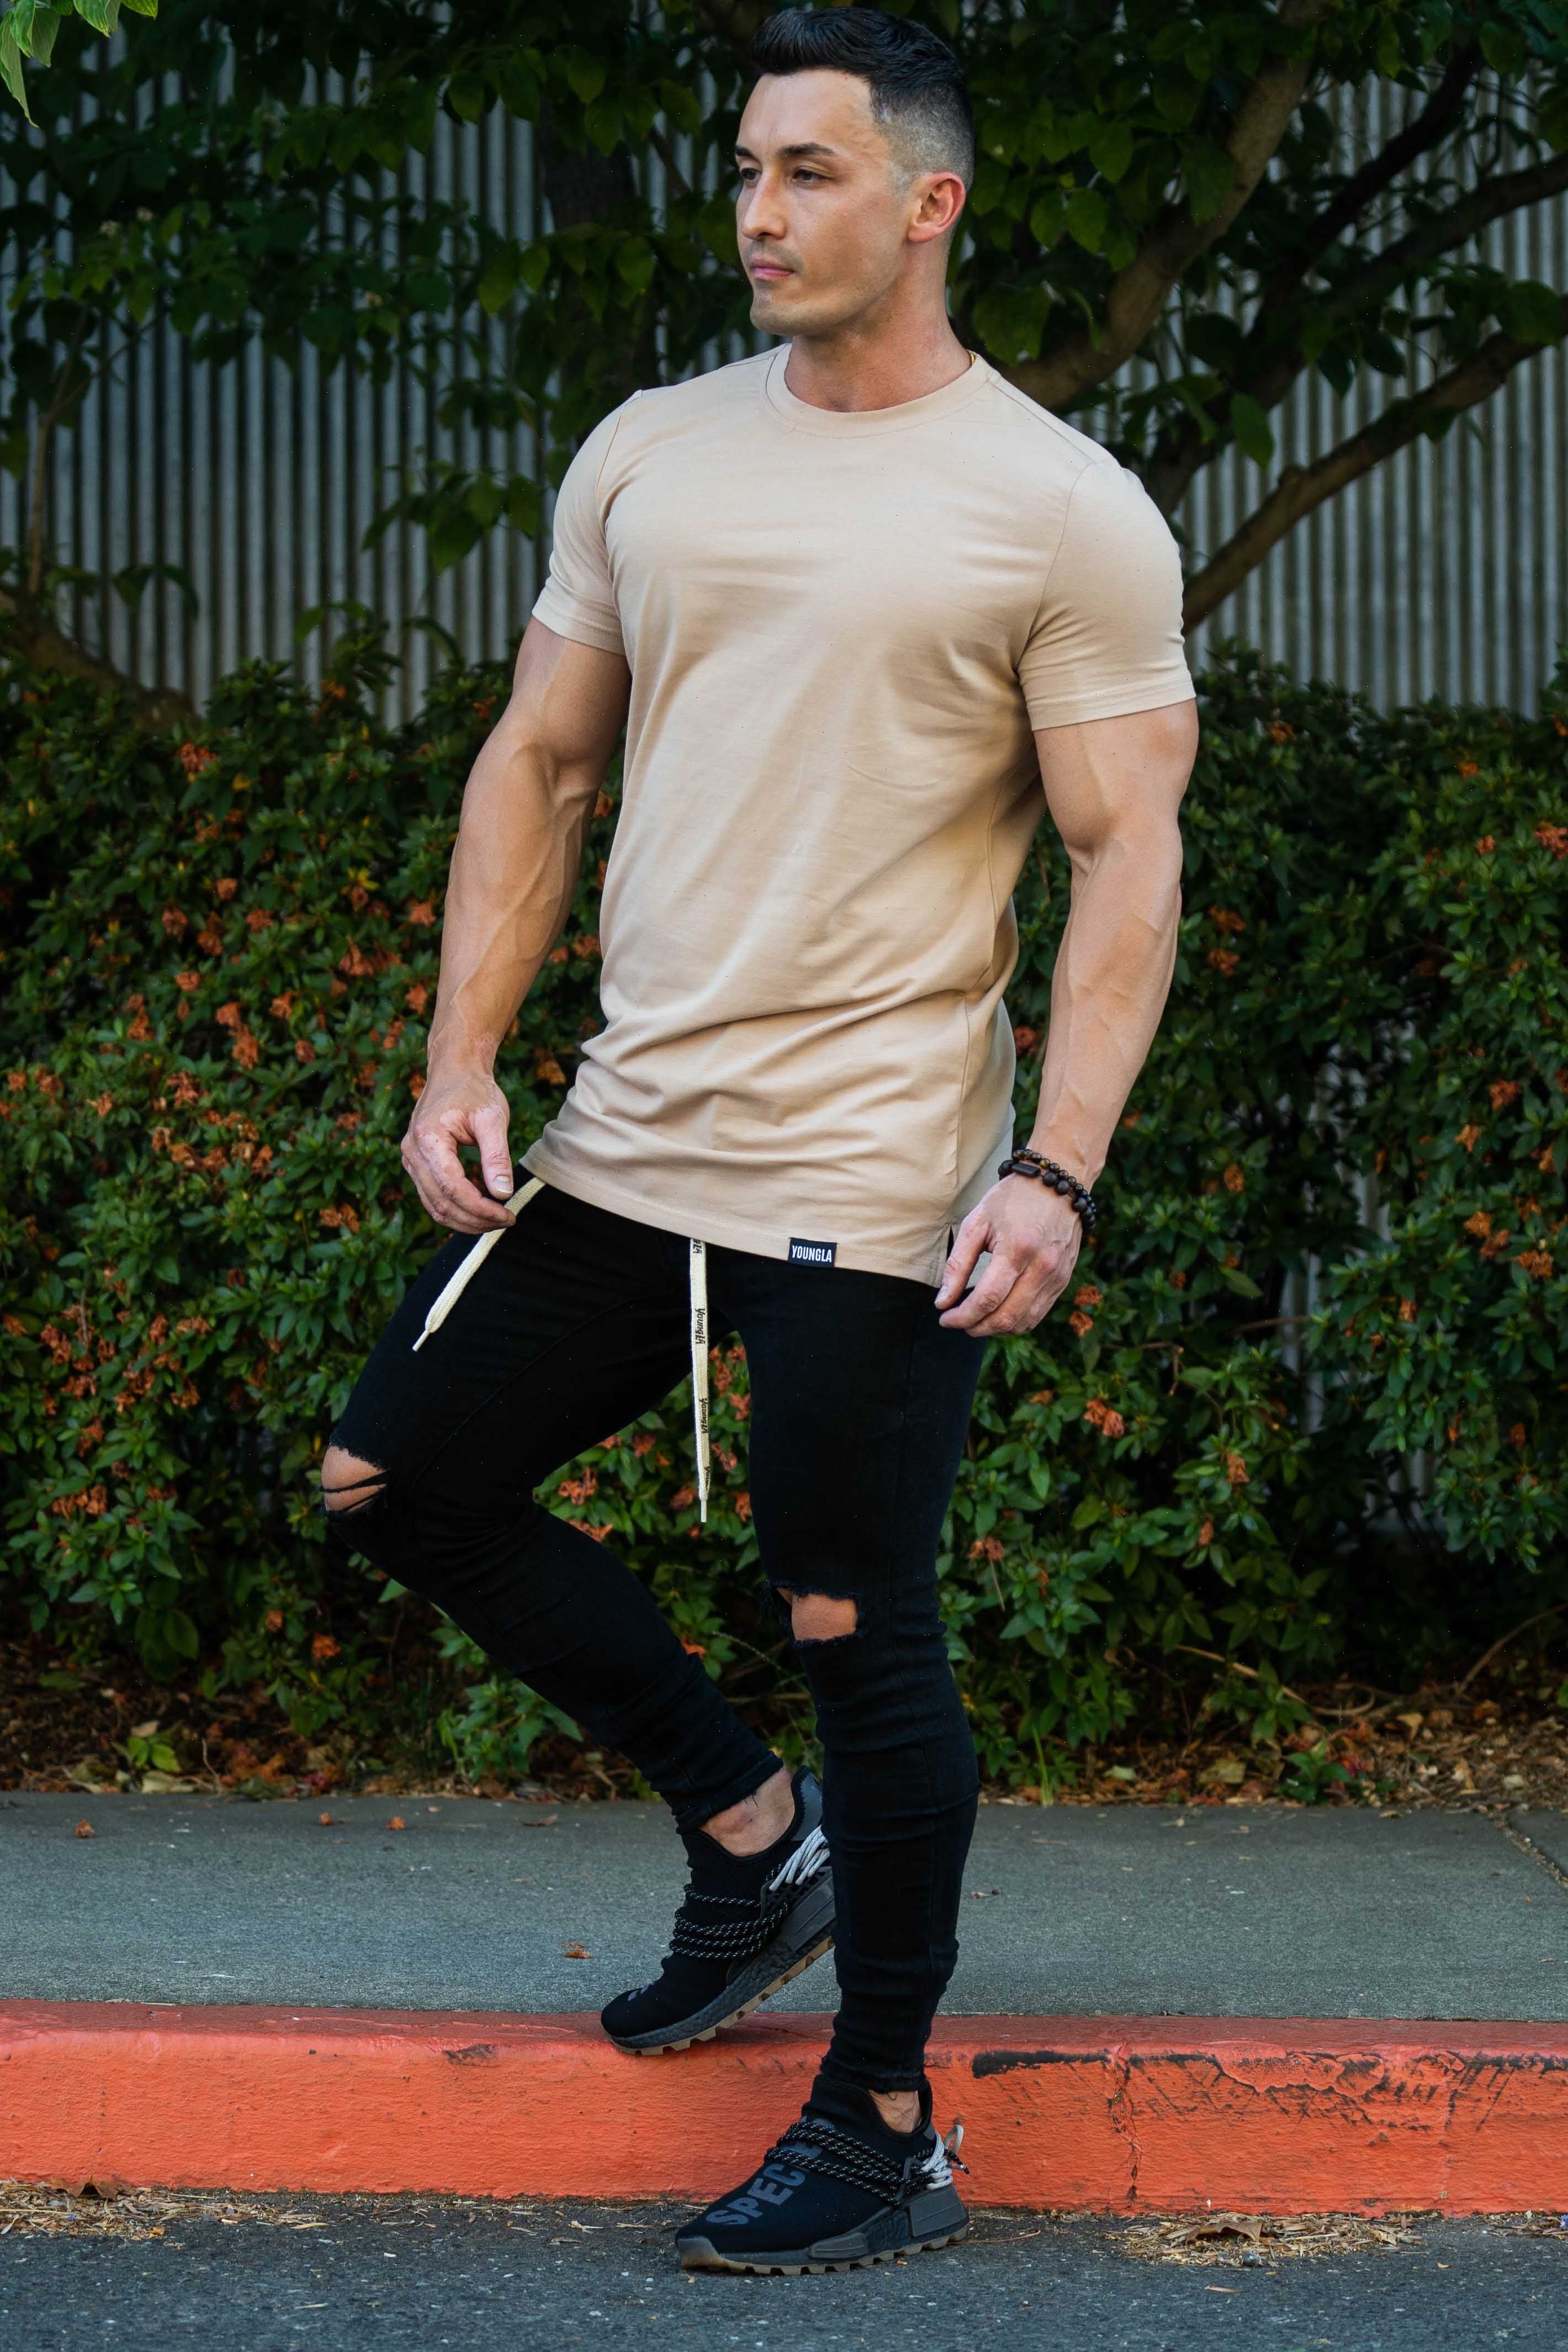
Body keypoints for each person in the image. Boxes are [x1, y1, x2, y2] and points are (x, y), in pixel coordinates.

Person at [318, 2, 1198, 2277]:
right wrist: (460, 1055)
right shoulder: (652, 451)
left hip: (877, 1172)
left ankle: (885, 2119)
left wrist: (1057, 1167)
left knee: (846, 1617)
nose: (756, 212)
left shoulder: (1058, 507)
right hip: (629, 1139)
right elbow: (540, 759)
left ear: (930, 201)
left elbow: (1126, 852)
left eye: (808, 171)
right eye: (742, 169)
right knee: (395, 1479)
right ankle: (747, 1836)